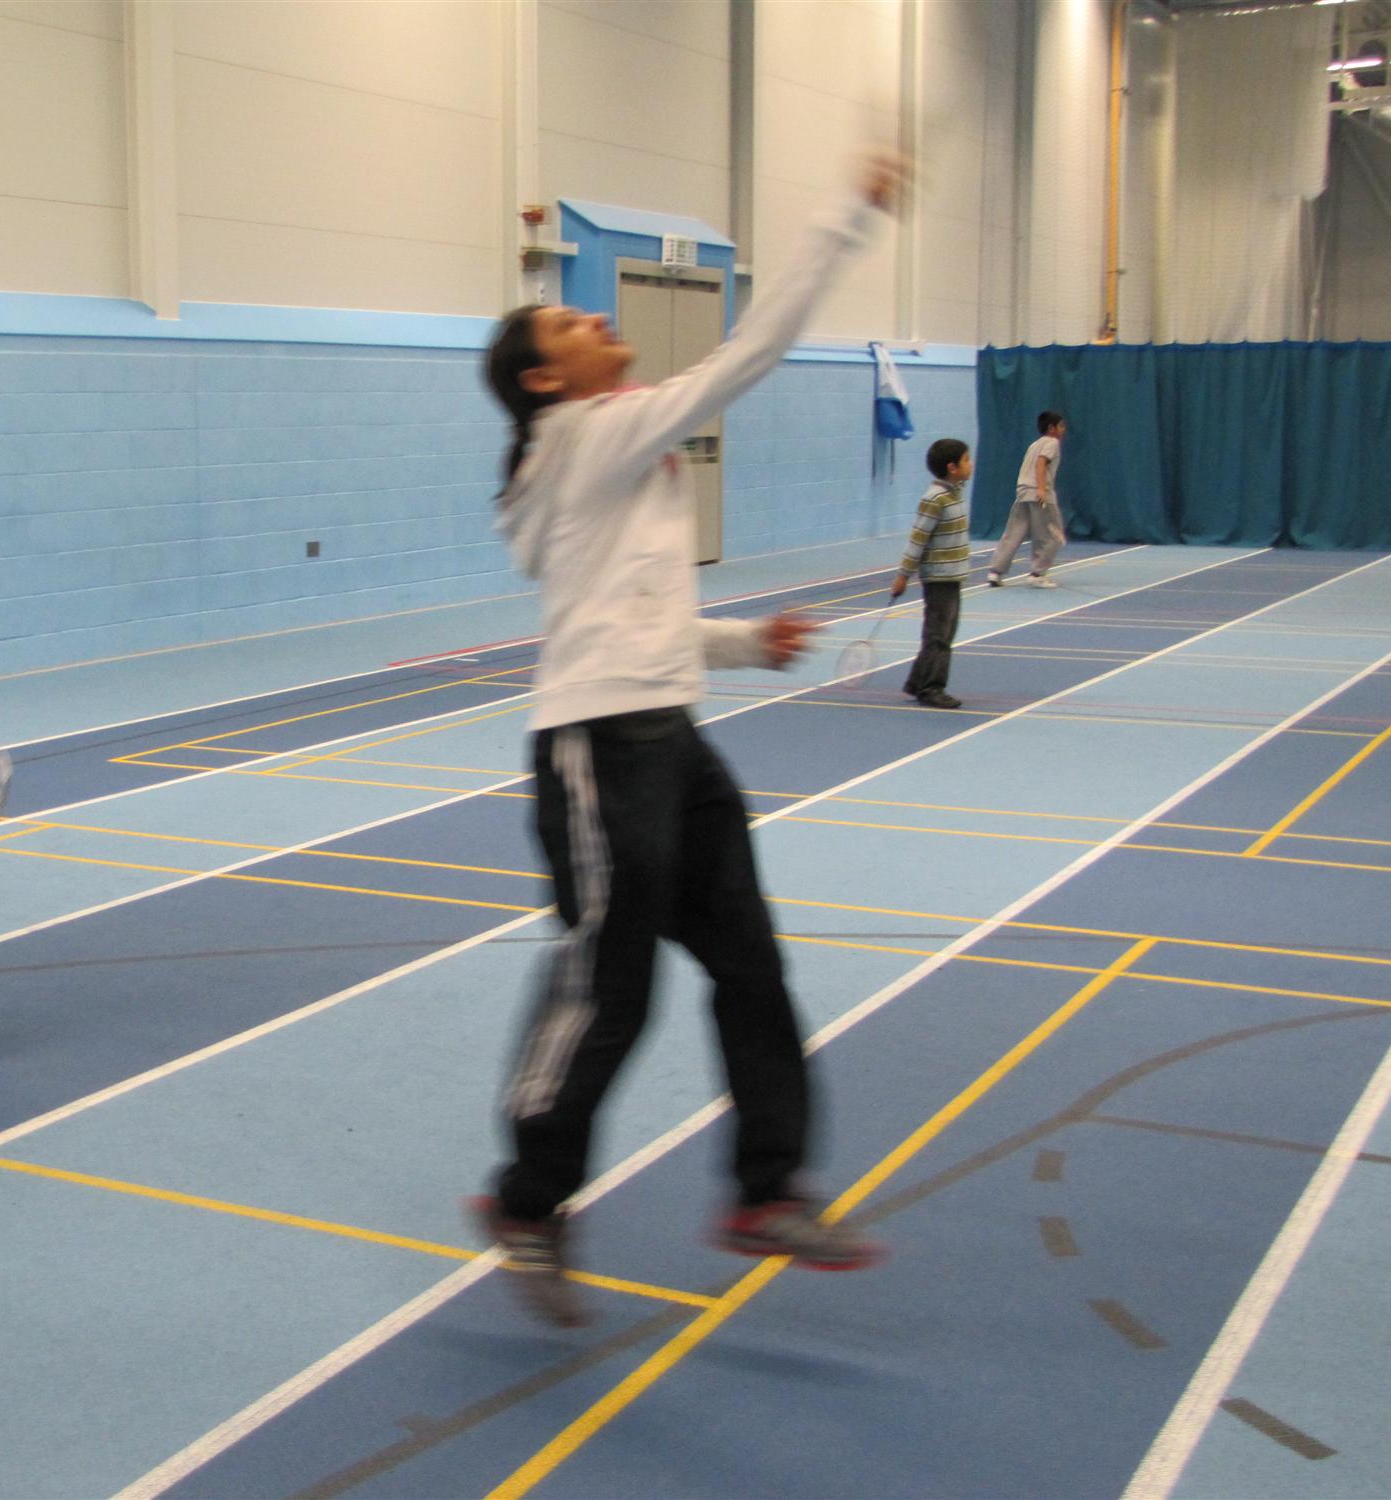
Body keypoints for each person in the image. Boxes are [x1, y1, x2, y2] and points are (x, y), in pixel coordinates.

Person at [470, 152, 904, 1327]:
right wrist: (842, 215)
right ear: (545, 376)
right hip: (597, 751)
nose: (598, 315)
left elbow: (623, 611)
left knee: (749, 963)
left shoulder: (603, 451)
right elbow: (749, 351)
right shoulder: (581, 437)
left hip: (670, 735)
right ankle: (527, 1195)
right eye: (572, 315)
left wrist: (736, 643)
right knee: (609, 990)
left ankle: (766, 1190)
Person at [891, 438, 973, 710]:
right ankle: (931, 688)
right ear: (952, 467)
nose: (970, 465)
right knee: (939, 636)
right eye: (966, 460)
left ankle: (917, 681)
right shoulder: (934, 499)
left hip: (953, 576)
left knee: (943, 633)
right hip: (939, 578)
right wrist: (904, 574)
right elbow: (918, 539)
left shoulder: (954, 493)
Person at [987, 410, 1067, 588]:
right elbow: (1041, 463)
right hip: (1040, 493)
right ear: (1051, 428)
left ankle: (995, 571)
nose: (1064, 430)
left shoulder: (1034, 444)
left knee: (1014, 532)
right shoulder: (1052, 442)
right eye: (1061, 426)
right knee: (1053, 534)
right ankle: (1038, 573)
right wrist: (1041, 489)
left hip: (1023, 492)